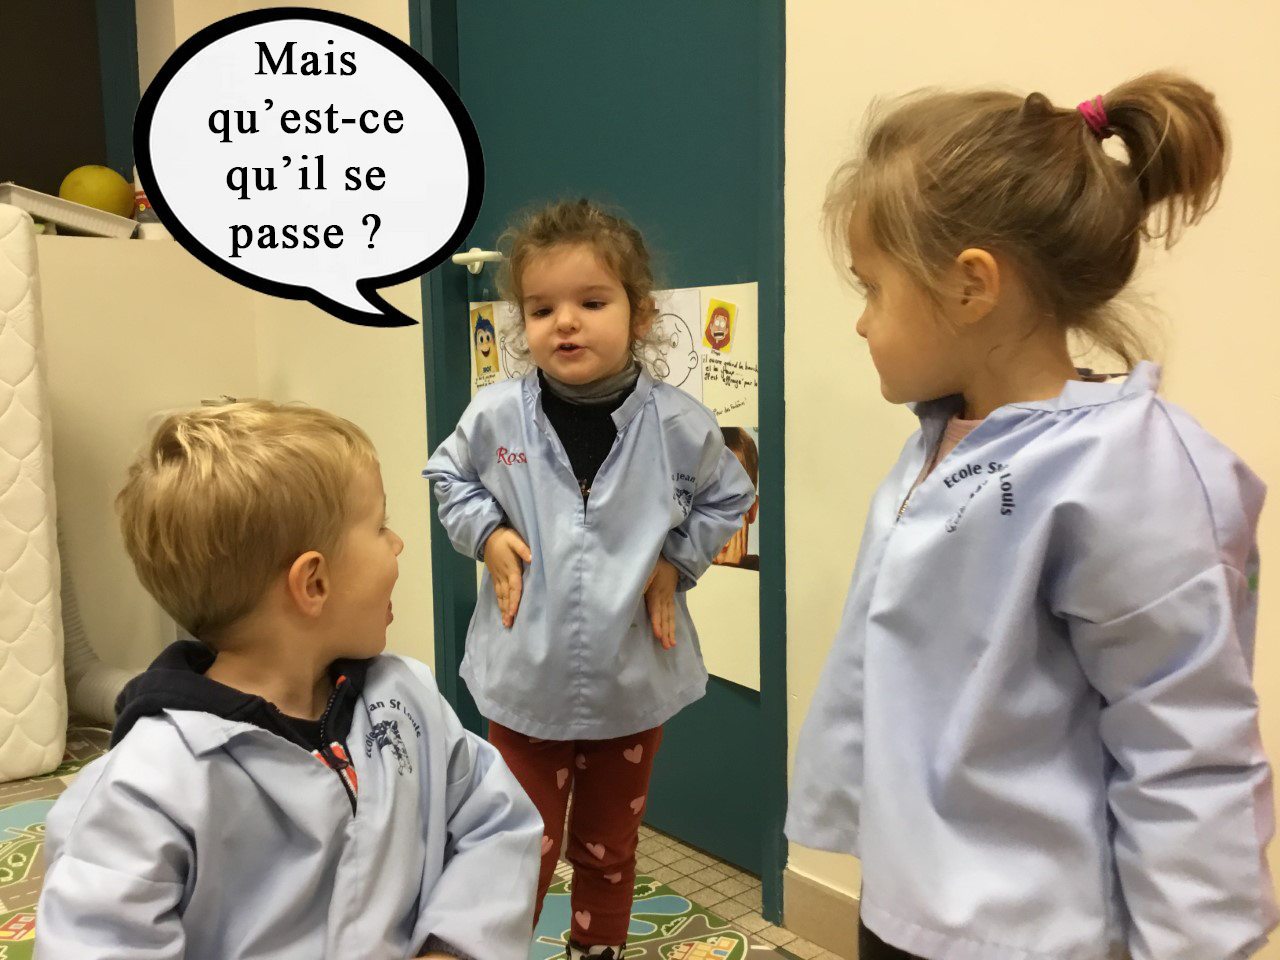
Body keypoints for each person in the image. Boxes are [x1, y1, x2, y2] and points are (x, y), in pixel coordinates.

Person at [786, 73, 1276, 960]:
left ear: (971, 287)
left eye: (872, 290)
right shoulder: (944, 439)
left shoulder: (1127, 474)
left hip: (1029, 933)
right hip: (911, 897)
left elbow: (1185, 749)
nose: (861, 324)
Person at [37, 401, 543, 960]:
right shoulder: (148, 787)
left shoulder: (406, 700)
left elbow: (495, 820)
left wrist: (451, 947)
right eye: (380, 527)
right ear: (314, 583)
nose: (397, 543)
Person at [424, 199, 756, 960]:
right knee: (519, 847)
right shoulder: (496, 416)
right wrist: (489, 534)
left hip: (630, 682)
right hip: (524, 681)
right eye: (541, 309)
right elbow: (448, 477)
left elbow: (729, 496)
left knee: (609, 848)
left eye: (592, 303)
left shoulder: (680, 425)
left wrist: (676, 564)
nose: (565, 323)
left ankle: (596, 949)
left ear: (640, 314)